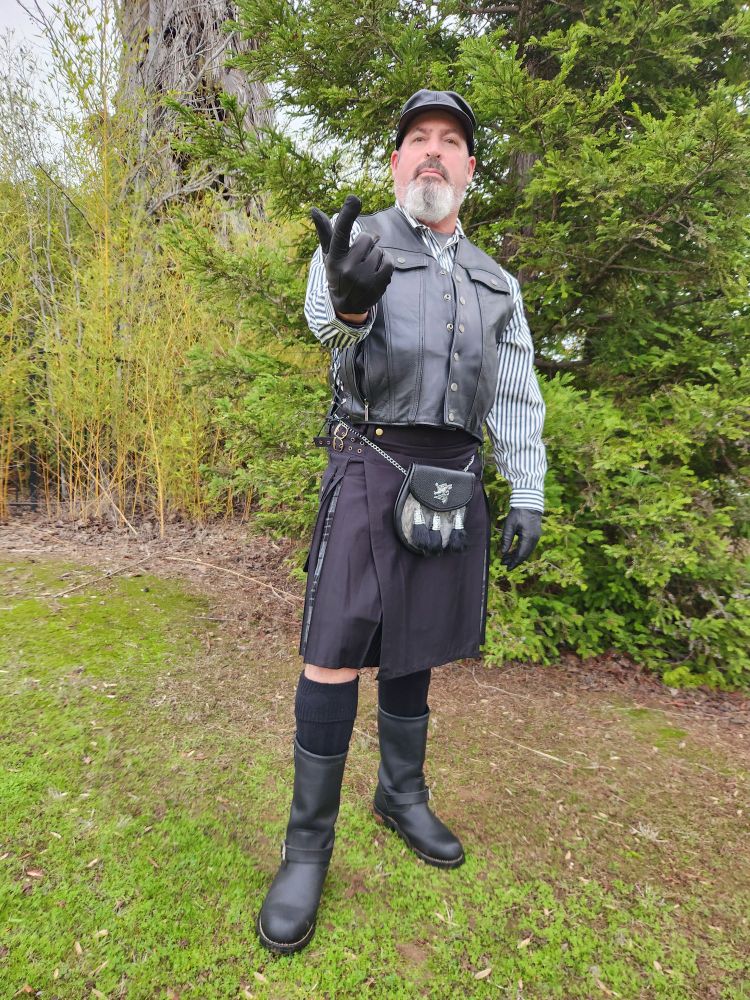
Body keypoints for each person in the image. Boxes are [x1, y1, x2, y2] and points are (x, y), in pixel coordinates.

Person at [256, 89, 547, 955]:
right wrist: (350, 302)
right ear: (395, 163)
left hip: (453, 476)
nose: (432, 152)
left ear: (468, 170)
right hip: (370, 463)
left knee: (416, 644)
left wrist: (528, 490)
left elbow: (515, 393)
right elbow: (328, 323)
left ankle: (401, 795)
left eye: (449, 141)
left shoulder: (497, 281)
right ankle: (306, 849)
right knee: (336, 647)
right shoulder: (360, 243)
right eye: (418, 138)